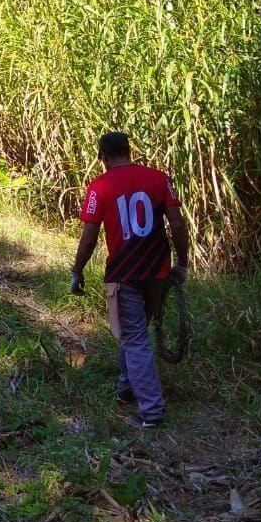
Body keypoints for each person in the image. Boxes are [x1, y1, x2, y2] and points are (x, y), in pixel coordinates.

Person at [69, 132, 188, 428]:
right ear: (129, 151)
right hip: (158, 271)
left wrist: (77, 270)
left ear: (103, 157)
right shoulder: (159, 178)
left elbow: (88, 239)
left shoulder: (100, 186)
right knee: (135, 330)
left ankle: (151, 411)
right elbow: (176, 223)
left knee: (135, 339)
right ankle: (126, 388)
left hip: (124, 273)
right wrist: (182, 262)